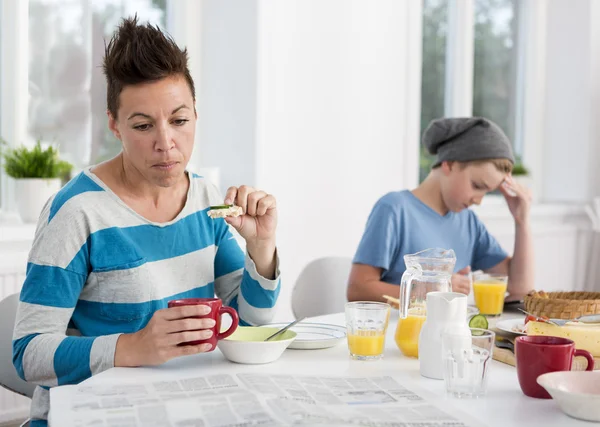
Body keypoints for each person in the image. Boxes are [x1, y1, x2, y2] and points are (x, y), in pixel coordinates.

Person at [12, 17, 280, 426]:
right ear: (114, 125)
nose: (165, 143)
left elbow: (246, 324)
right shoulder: (76, 212)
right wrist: (132, 347)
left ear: (195, 115)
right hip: (93, 416)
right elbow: (28, 354)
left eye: (179, 120)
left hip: (183, 409)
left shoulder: (206, 199)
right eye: (142, 125)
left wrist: (260, 249)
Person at [348, 117, 533, 303]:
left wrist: (522, 221)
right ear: (449, 164)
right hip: (400, 330)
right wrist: (432, 288)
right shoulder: (394, 209)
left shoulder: (468, 222)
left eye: (487, 192)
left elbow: (519, 288)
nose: (478, 200)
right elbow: (358, 289)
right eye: (477, 185)